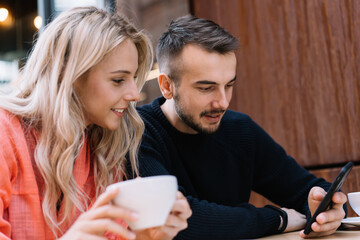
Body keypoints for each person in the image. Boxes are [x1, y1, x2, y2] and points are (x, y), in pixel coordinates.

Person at [135, 15, 347, 239]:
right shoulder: (138, 132)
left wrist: (327, 208)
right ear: (167, 86)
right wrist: (277, 219)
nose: (223, 102)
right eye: (206, 88)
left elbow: (311, 190)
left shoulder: (240, 130)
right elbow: (177, 220)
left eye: (229, 85)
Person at [0, 7, 191, 240]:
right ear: (69, 77)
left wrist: (148, 236)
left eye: (133, 79)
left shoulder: (102, 152)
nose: (133, 94)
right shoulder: (5, 132)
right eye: (118, 80)